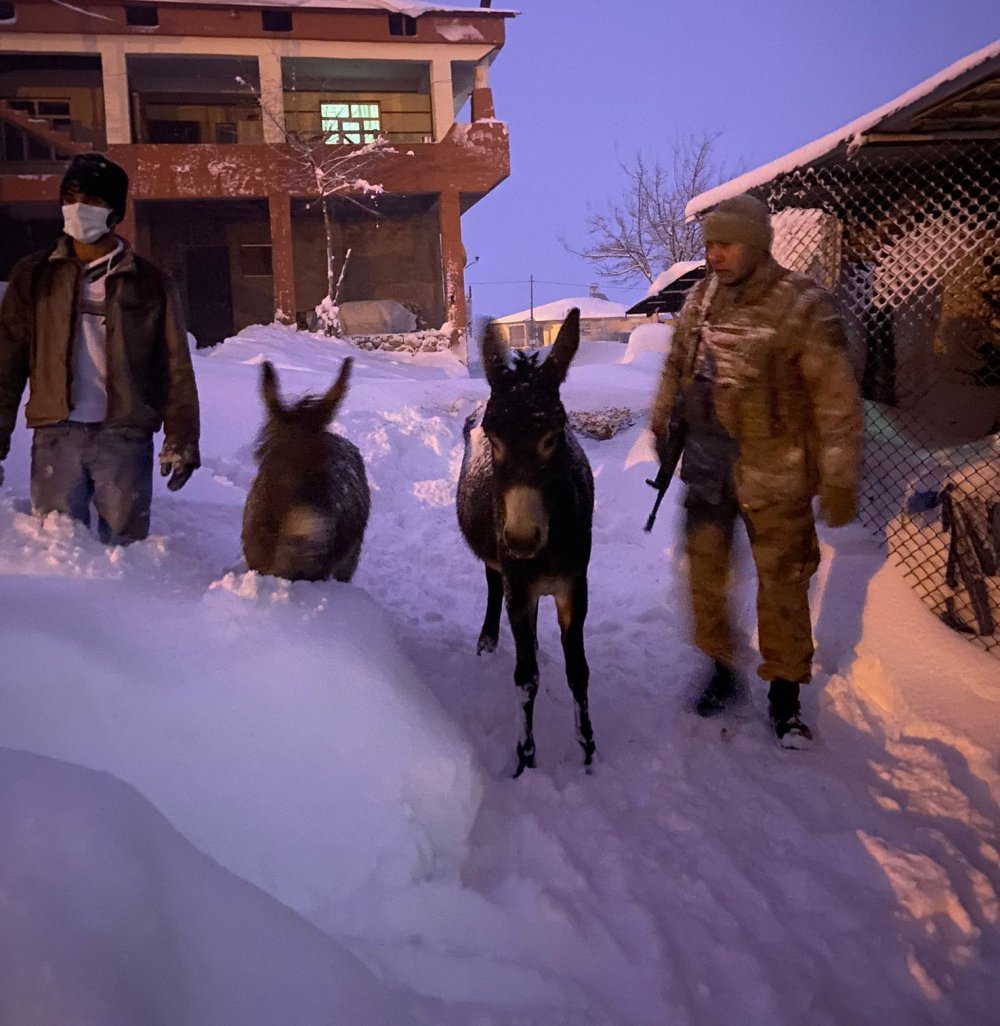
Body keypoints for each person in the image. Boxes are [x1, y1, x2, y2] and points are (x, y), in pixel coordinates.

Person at [649, 194, 862, 746]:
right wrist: (661, 425)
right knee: (704, 580)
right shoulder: (700, 299)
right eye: (709, 244)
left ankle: (785, 697)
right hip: (706, 471)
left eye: (725, 244)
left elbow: (836, 400)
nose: (714, 255)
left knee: (783, 586)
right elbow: (676, 368)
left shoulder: (802, 306)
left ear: (756, 244)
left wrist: (839, 476)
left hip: (777, 473)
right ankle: (720, 669)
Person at [0, 153, 200, 544]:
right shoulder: (35, 276)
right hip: (56, 434)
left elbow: (174, 366)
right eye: (71, 199)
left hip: (124, 436)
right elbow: (6, 361)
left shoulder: (149, 282)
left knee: (124, 554)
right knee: (58, 550)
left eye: (91, 202)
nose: (78, 210)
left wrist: (182, 438)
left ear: (114, 212)